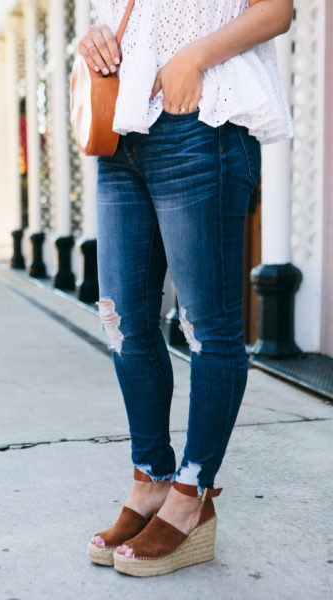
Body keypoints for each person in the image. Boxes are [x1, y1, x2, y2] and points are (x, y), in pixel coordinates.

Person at [79, 0, 294, 577]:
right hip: (124, 128)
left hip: (202, 124)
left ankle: (191, 494)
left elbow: (277, 10)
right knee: (123, 321)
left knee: (208, 326)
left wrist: (193, 57)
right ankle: (150, 480)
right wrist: (97, 36)